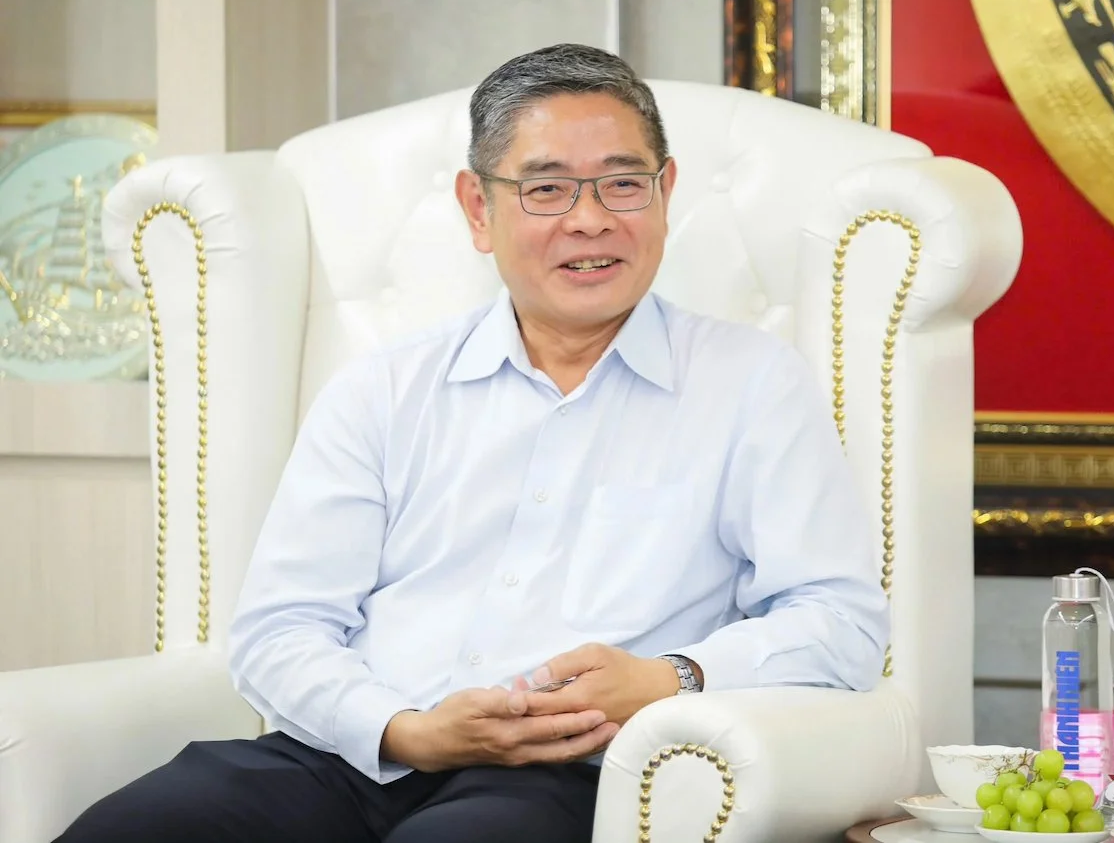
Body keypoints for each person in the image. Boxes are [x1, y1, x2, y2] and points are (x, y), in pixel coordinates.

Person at [57, 42, 889, 843]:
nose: (590, 220)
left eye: (623, 184)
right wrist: (404, 729)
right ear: (477, 208)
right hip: (353, 754)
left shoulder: (751, 385)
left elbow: (841, 621)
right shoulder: (384, 388)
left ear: (665, 192)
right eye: (547, 189)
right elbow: (282, 628)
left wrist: (668, 676)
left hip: (565, 772)